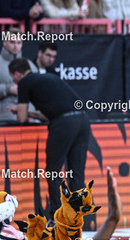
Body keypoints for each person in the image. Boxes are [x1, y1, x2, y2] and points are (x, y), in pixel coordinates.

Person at [8, 58, 90, 214]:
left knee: (53, 171)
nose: (13, 80)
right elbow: (52, 114)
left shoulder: (24, 82)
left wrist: (19, 111)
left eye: (12, 77)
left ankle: (59, 216)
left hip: (64, 124)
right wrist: (32, 113)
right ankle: (79, 218)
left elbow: (22, 118)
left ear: (17, 74)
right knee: (77, 173)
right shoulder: (49, 78)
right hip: (83, 120)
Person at [0, 29, 37, 124]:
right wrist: (9, 89)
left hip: (29, 118)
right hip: (2, 118)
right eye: (12, 42)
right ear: (5, 42)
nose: (16, 46)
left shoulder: (31, 65)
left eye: (19, 42)